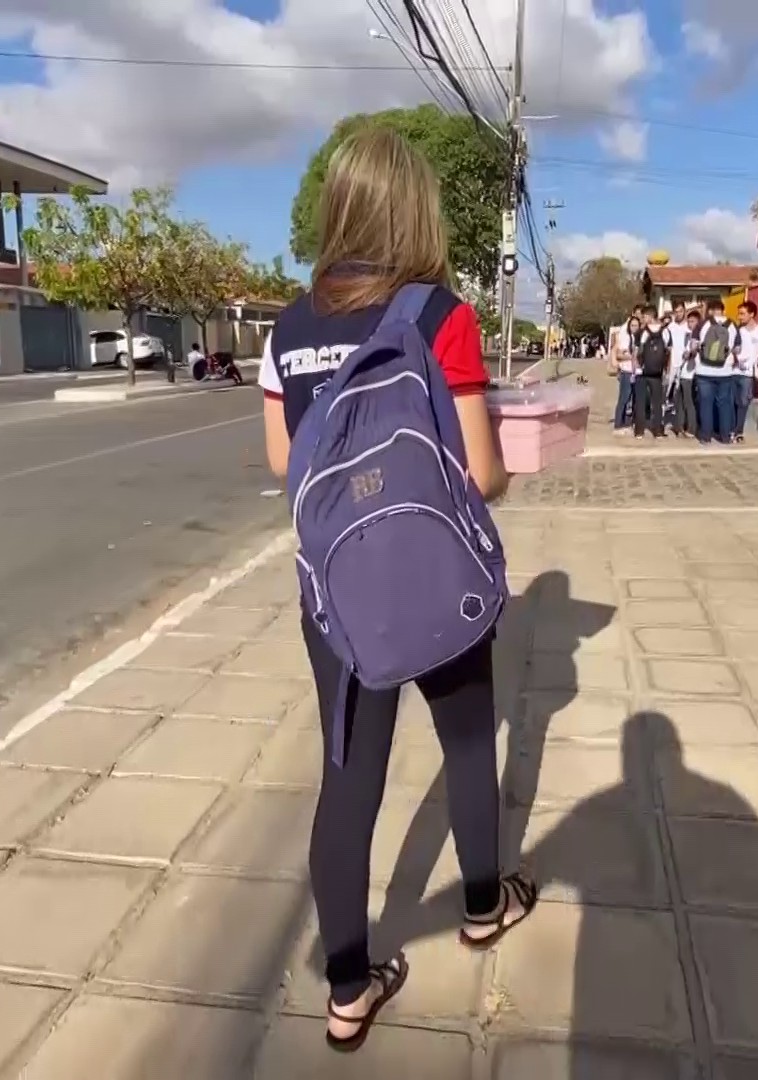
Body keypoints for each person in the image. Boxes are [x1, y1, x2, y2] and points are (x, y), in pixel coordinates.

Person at [256, 125, 534, 1053]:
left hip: (335, 597)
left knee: (349, 780)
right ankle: (485, 908)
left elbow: (285, 469)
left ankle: (347, 987)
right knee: (465, 745)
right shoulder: (439, 316)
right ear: (416, 209)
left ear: (337, 207)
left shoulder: (286, 328)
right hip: (437, 582)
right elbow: (484, 474)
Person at [694, 300, 735, 444]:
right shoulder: (732, 325)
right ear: (723, 310)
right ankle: (725, 437)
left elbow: (693, 346)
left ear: (710, 310)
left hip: (704, 371)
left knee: (706, 404)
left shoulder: (702, 324)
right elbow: (738, 349)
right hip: (725, 372)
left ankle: (706, 437)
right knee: (724, 404)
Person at [725, 300, 758, 442]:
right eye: (739, 314)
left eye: (742, 314)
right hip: (734, 371)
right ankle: (730, 429)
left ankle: (738, 431)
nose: (739, 317)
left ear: (752, 314)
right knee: (731, 402)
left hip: (748, 374)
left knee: (743, 403)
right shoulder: (738, 331)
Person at [633, 310, 671, 438]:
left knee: (640, 402)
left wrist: (635, 368)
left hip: (642, 371)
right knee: (658, 402)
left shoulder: (642, 332)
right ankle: (658, 431)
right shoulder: (665, 331)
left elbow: (636, 351)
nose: (642, 319)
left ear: (650, 316)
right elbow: (669, 352)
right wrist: (667, 370)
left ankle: (639, 431)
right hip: (658, 373)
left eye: (644, 316)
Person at [669, 308, 702, 437]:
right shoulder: (687, 335)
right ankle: (679, 426)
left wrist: (690, 353)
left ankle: (691, 428)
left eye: (693, 321)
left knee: (689, 402)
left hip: (691, 373)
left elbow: (694, 352)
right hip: (682, 371)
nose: (690, 324)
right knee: (679, 401)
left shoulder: (699, 336)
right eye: (688, 321)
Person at [609, 312, 640, 434]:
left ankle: (627, 422)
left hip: (636, 372)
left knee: (633, 399)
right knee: (624, 397)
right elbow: (619, 354)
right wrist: (631, 357)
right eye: (632, 325)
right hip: (626, 371)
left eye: (636, 325)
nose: (634, 328)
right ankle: (618, 424)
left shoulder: (638, 338)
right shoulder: (625, 338)